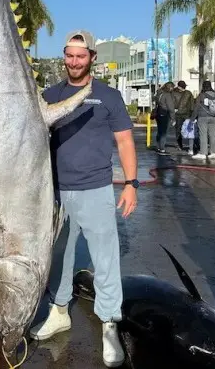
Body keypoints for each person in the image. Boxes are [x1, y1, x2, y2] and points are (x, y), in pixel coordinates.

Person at [30, 30, 138, 368]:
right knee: (59, 256)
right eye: (69, 55)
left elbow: (124, 142)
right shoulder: (49, 96)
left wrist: (132, 183)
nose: (74, 61)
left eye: (80, 56)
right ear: (64, 56)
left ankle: (108, 323)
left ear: (92, 57)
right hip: (58, 192)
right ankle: (59, 311)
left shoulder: (108, 96)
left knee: (105, 260)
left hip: (96, 189)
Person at [190, 80, 215, 160]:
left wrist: (192, 119)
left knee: (203, 135)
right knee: (213, 135)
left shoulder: (201, 95)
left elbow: (196, 108)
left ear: (203, 86)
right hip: (214, 117)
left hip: (203, 117)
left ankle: (203, 153)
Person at [150, 81, 176, 155]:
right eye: (172, 87)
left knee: (160, 131)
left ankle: (158, 146)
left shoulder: (159, 93)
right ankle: (162, 149)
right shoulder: (167, 95)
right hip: (165, 114)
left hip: (158, 113)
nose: (173, 89)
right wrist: (173, 118)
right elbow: (171, 107)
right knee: (164, 132)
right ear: (170, 87)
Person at [172, 80, 195, 150]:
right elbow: (192, 104)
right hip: (186, 114)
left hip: (178, 114)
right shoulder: (188, 93)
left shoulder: (173, 93)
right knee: (190, 129)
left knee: (178, 130)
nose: (184, 88)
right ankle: (191, 145)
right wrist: (192, 114)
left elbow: (172, 103)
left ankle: (179, 145)